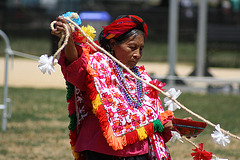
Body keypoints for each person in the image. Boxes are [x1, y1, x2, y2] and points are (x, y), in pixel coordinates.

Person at [52, 15, 178, 160]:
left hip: (139, 151)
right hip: (101, 148)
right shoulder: (97, 65)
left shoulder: (141, 77)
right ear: (112, 44)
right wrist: (68, 39)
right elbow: (75, 65)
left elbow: (152, 115)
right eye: (132, 47)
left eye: (141, 49)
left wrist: (173, 125)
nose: (137, 54)